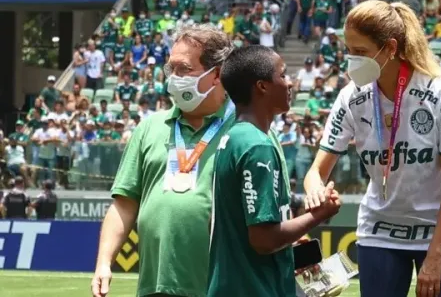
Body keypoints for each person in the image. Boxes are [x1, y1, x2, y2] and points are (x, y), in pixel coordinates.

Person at [304, 0, 441, 297]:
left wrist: (435, 254)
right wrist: (315, 189)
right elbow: (316, 171)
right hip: (379, 231)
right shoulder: (350, 97)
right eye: (349, 51)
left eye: (361, 52)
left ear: (391, 48)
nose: (352, 61)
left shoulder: (438, 92)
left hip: (439, 234)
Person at [91, 24, 235, 297]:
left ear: (216, 74)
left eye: (184, 69)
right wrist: (103, 262)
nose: (174, 78)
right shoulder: (150, 127)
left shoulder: (245, 131)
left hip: (221, 288)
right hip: (154, 287)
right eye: (171, 69)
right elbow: (123, 205)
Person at [207, 46, 340, 296]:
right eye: (283, 75)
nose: (290, 83)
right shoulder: (256, 145)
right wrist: (320, 215)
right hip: (252, 289)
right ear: (262, 86)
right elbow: (263, 240)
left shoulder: (233, 138)